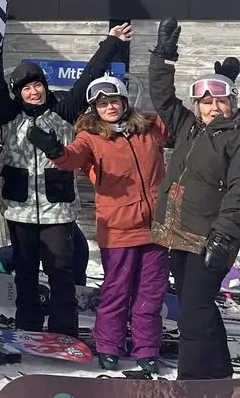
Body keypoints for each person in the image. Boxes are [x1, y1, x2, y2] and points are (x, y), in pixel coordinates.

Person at [0, 22, 129, 338]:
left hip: (58, 210)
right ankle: (28, 327)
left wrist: (111, 43)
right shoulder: (9, 114)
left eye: (38, 84)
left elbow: (88, 75)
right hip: (19, 210)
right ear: (19, 92)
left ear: (45, 85)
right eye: (26, 87)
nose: (34, 91)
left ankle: (63, 330)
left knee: (61, 272)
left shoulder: (63, 110)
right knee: (25, 273)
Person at [147, 18, 240, 380]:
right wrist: (164, 54)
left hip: (209, 236)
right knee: (196, 307)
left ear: (232, 102)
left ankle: (192, 382)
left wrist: (224, 235)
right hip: (178, 233)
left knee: (194, 313)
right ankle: (218, 375)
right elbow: (162, 96)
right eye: (206, 101)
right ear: (198, 105)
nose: (213, 108)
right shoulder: (188, 126)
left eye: (221, 101)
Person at [28, 76, 169, 372]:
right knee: (116, 291)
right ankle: (108, 345)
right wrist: (54, 150)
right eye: (102, 104)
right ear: (95, 108)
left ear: (125, 101)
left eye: (114, 101)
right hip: (118, 227)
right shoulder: (90, 137)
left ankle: (146, 349)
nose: (110, 107)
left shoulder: (150, 128)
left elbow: (183, 123)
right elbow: (71, 158)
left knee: (150, 293)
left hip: (157, 226)